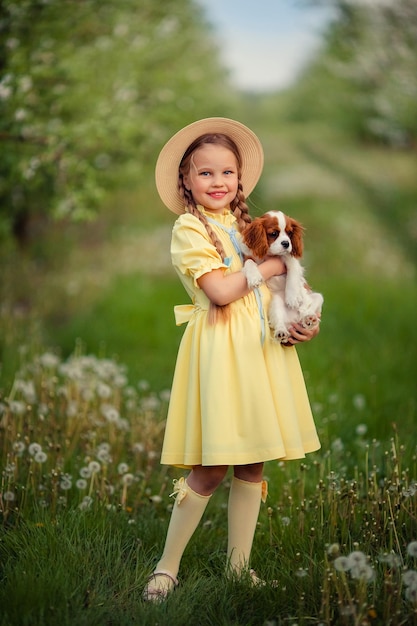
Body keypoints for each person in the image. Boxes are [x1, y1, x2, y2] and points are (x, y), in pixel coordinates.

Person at [143, 118, 321, 601]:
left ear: (240, 180)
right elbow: (221, 291)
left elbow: (289, 287)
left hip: (263, 348)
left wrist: (303, 320)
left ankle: (239, 568)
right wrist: (270, 265)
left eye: (227, 173)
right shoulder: (188, 229)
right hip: (221, 351)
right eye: (205, 174)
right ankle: (167, 567)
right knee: (212, 464)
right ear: (186, 181)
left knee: (253, 463)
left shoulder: (246, 226)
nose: (217, 182)